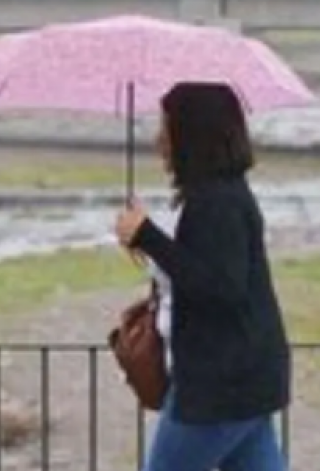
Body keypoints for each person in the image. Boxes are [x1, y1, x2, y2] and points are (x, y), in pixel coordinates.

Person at [114, 82, 291, 471]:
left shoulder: (218, 201)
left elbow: (221, 288)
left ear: (192, 135)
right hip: (244, 376)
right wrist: (144, 240)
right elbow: (200, 269)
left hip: (219, 385)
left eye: (167, 128)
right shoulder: (217, 195)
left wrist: (148, 235)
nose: (159, 139)